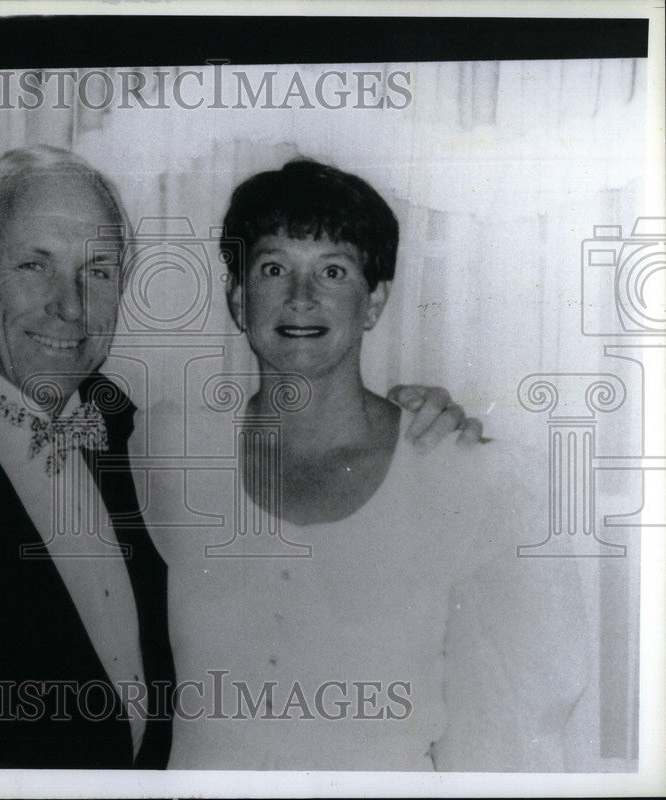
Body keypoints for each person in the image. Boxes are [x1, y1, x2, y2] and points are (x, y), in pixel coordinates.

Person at [0, 146, 482, 768]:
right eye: (35, 266)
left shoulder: (144, 439)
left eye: (97, 272)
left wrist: (425, 418)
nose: (69, 307)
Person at [148, 159, 589, 771]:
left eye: (333, 270)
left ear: (374, 300)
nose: (301, 297)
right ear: (238, 296)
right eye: (274, 268)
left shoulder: (458, 475)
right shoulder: (170, 452)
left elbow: (508, 738)